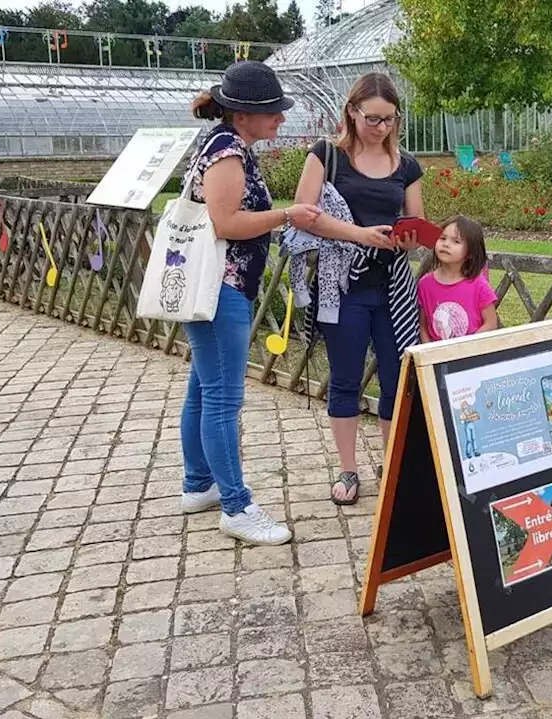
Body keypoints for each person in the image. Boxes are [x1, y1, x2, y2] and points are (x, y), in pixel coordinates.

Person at [179, 61, 322, 546]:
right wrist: (286, 215)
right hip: (222, 290)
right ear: (243, 115)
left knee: (203, 388)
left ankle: (199, 485)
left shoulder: (226, 145)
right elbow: (225, 223)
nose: (280, 119)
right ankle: (237, 507)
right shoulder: (227, 153)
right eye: (273, 112)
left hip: (214, 289)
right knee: (222, 400)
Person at [293, 73, 424, 506]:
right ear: (351, 112)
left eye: (389, 119)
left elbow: (417, 221)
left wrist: (407, 237)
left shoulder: (406, 165)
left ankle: (390, 464)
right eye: (373, 118)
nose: (381, 128)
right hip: (342, 287)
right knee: (346, 380)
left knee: (395, 378)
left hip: (392, 287)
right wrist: (359, 234)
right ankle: (348, 470)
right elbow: (304, 215)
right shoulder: (326, 155)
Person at [417, 215, 499, 343]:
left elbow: (491, 323)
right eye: (442, 238)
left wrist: (466, 347)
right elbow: (423, 326)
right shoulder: (425, 284)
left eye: (456, 241)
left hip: (470, 356)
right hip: (436, 358)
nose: (446, 244)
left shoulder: (479, 284)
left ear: (470, 253)